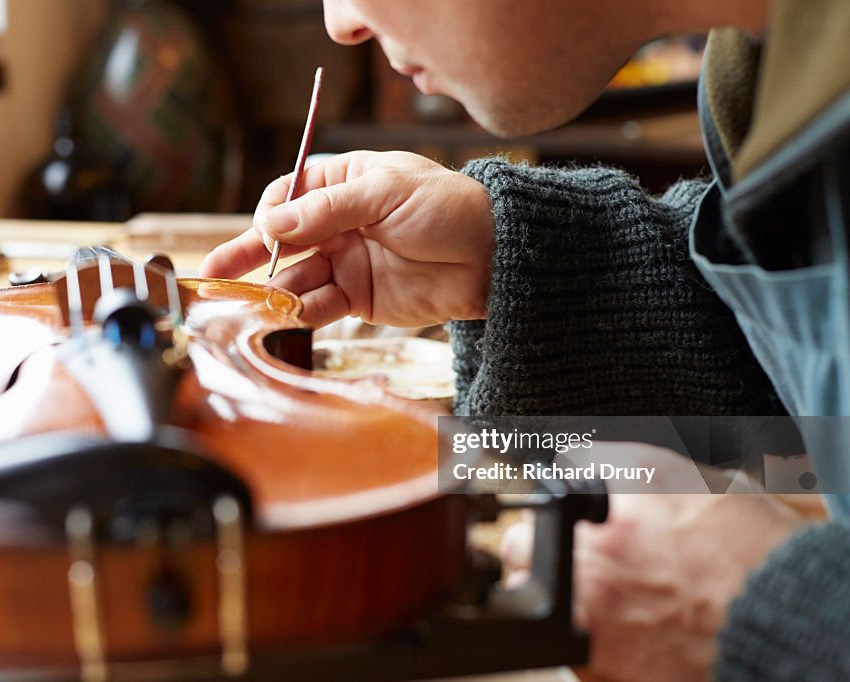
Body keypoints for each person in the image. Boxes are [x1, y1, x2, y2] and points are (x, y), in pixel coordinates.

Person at [201, 1, 850, 680]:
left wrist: (784, 619)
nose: (342, 23)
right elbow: (812, 374)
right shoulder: (766, 64)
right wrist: (524, 265)